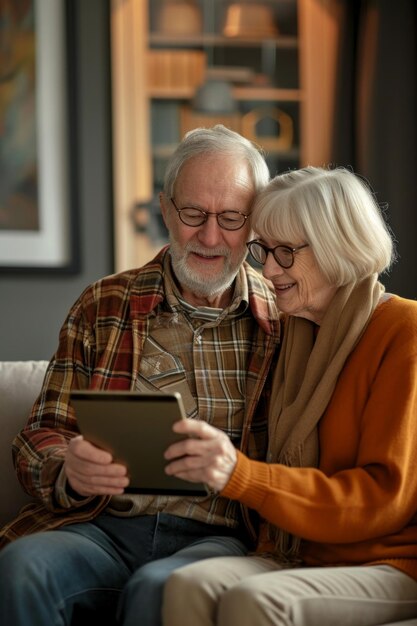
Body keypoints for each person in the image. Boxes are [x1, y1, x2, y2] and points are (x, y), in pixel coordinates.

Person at [0, 125, 280, 626]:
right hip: (103, 526)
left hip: (219, 536)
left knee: (161, 589)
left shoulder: (282, 323)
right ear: (167, 210)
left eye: (232, 218)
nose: (210, 236)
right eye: (193, 213)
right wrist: (68, 467)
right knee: (22, 568)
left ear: (255, 222)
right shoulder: (103, 303)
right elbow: (40, 433)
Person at [161, 165, 417, 626]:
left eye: (286, 253)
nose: (268, 269)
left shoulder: (404, 331)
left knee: (258, 600)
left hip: (386, 560)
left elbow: (383, 498)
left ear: (338, 248)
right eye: (263, 250)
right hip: (298, 548)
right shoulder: (294, 333)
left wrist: (243, 476)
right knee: (186, 584)